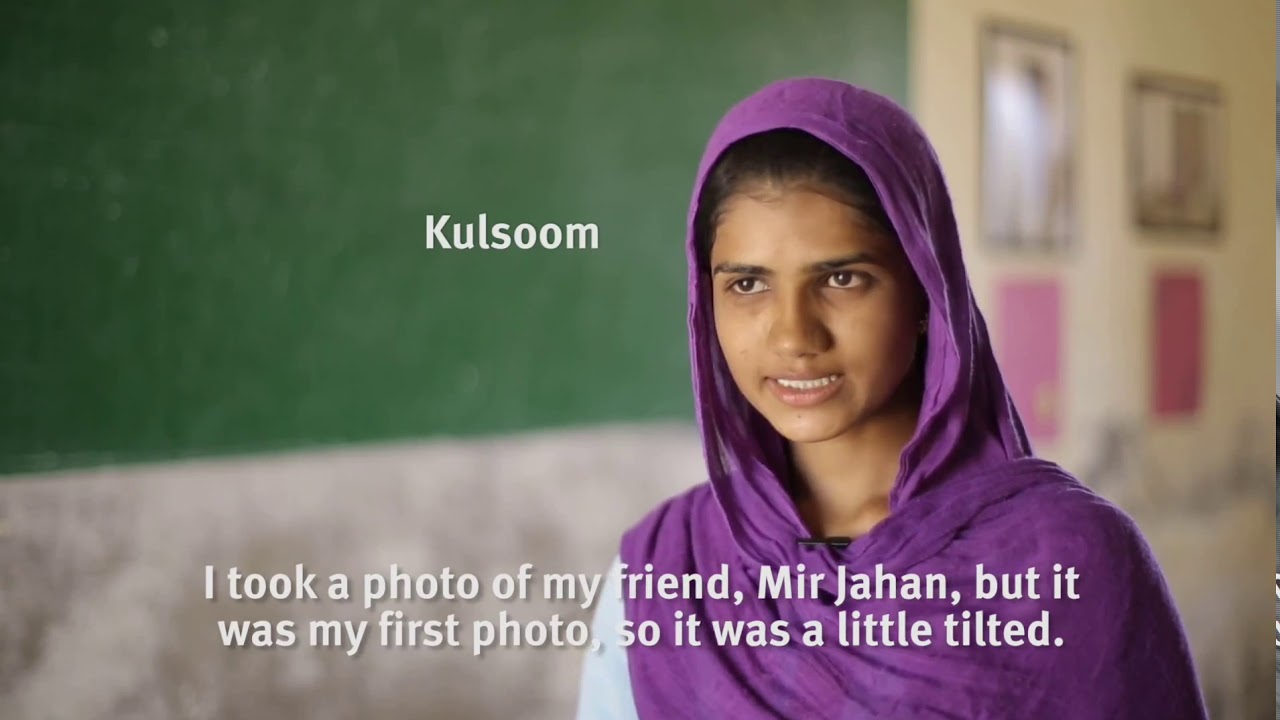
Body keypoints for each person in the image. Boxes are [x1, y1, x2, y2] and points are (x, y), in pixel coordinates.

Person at [576, 77, 1207, 719]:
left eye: (842, 278)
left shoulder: (1070, 559)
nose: (795, 335)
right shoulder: (662, 571)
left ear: (927, 292)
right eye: (747, 285)